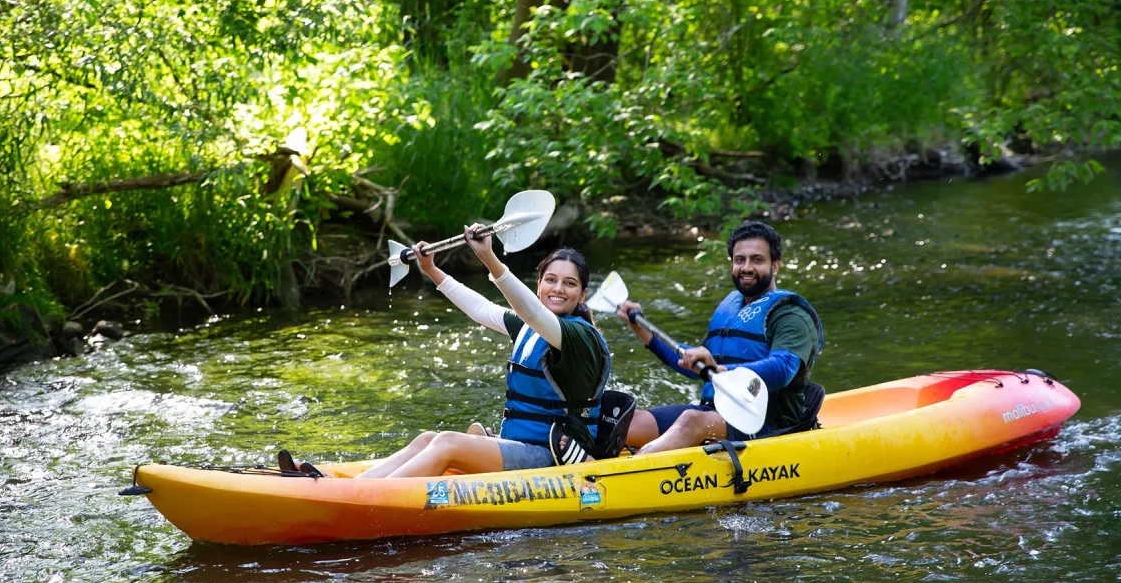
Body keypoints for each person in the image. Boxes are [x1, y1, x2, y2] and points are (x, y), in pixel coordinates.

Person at [281, 225, 611, 479]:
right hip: (519, 446)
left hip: (551, 457)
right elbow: (481, 308)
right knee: (428, 438)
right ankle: (345, 485)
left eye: (569, 283)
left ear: (582, 294)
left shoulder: (579, 336)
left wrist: (489, 258)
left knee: (448, 442)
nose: (557, 289)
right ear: (539, 284)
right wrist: (432, 270)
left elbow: (532, 312)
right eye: (550, 280)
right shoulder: (531, 326)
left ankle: (361, 497)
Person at [618, 220, 823, 454]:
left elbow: (783, 367)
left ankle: (634, 470)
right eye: (739, 260)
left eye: (757, 260)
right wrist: (642, 330)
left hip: (768, 424)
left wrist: (723, 371)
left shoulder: (790, 314)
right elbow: (694, 365)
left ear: (775, 266)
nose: (746, 267)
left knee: (691, 420)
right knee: (630, 422)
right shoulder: (731, 309)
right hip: (716, 414)